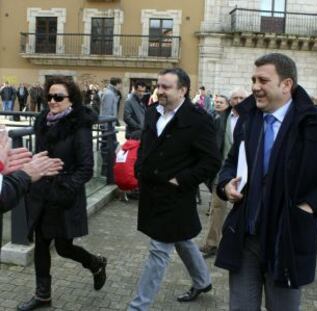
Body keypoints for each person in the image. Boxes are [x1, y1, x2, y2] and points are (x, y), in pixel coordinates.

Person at [215, 53, 317, 310]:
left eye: (263, 80)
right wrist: (227, 183)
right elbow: (231, 162)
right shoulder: (248, 118)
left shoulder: (316, 123)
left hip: (286, 240)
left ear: (286, 85)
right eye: (253, 79)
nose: (255, 87)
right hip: (245, 238)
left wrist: (311, 206)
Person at [128, 68, 221, 310]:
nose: (160, 91)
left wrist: (182, 180)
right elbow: (146, 145)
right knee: (181, 239)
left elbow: (211, 161)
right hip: (151, 192)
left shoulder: (199, 119)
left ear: (183, 90)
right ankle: (203, 281)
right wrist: (139, 168)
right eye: (159, 86)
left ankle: (138, 306)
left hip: (176, 196)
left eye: (166, 87)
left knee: (159, 250)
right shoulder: (151, 112)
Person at [17, 76, 107, 311]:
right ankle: (42, 295)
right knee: (41, 244)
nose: (53, 101)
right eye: (49, 97)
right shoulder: (43, 122)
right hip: (41, 193)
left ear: (71, 100)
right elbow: (40, 157)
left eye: (59, 97)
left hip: (65, 195)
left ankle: (96, 263)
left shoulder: (80, 126)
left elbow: (86, 168)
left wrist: (64, 187)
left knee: (65, 247)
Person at [200, 88, 248, 258]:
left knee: (244, 211)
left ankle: (240, 246)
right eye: (235, 98)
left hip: (246, 173)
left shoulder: (254, 119)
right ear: (231, 101)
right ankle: (212, 244)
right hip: (221, 171)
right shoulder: (221, 118)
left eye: (242, 97)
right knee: (217, 208)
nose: (239, 100)